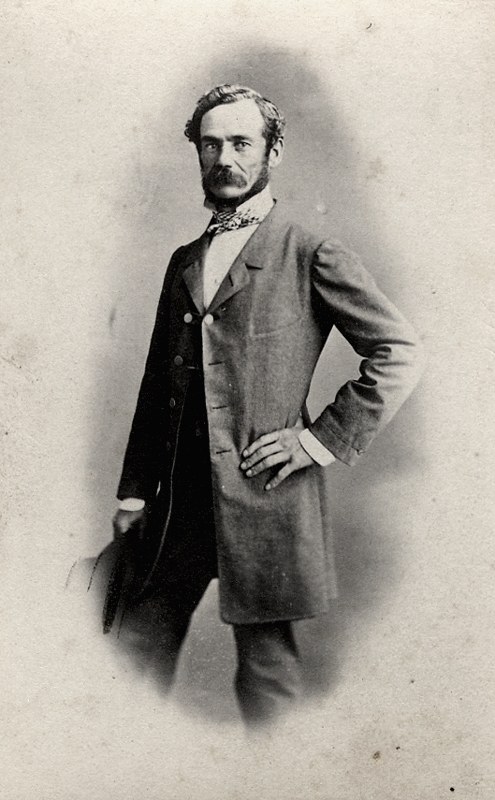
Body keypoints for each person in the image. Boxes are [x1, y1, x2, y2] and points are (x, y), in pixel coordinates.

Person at [110, 84, 424, 726]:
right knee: (134, 651)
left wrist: (315, 441)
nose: (224, 158)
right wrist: (135, 493)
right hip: (178, 501)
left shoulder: (311, 253)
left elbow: (399, 350)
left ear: (272, 152)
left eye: (241, 143)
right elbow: (155, 383)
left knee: (267, 670)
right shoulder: (183, 261)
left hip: (266, 494)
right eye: (210, 145)